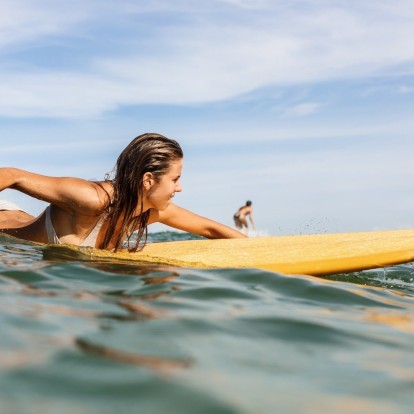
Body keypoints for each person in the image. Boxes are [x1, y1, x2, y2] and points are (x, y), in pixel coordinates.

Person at [0, 133, 245, 252]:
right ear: (148, 180)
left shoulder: (149, 212)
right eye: (175, 179)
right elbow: (11, 175)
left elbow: (211, 230)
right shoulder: (92, 199)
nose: (179, 188)